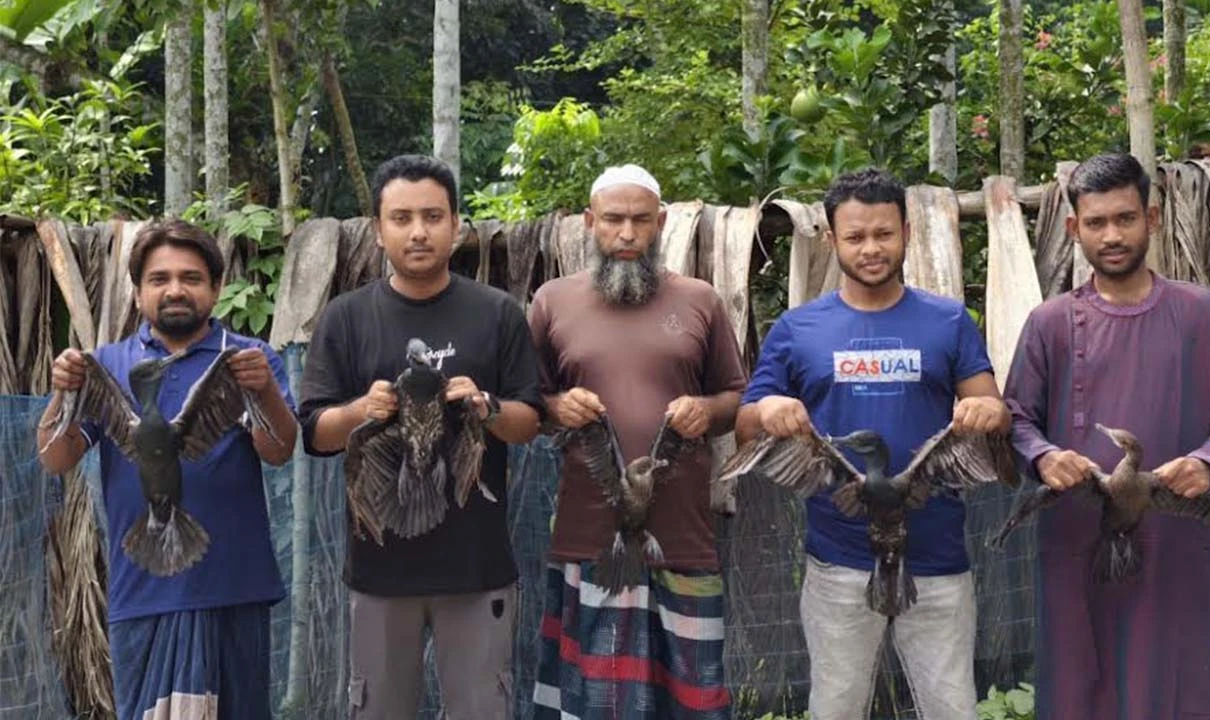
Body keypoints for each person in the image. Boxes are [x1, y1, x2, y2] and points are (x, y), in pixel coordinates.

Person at [735, 168, 1010, 719]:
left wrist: (988, 410)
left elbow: (996, 415)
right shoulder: (797, 329)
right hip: (839, 559)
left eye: (883, 233)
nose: (871, 248)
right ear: (832, 240)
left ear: (907, 232)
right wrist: (768, 408)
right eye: (855, 236)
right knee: (836, 707)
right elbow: (744, 426)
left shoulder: (948, 319)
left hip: (936, 558)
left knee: (952, 707)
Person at [1003, 152, 1210, 719]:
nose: (1112, 235)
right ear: (1074, 229)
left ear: (1153, 217)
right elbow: (1016, 416)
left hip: (1180, 545)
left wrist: (1209, 462)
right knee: (1080, 685)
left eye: (1125, 218)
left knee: (1181, 685)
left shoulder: (1203, 313)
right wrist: (1044, 457)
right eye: (1096, 223)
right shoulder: (1049, 324)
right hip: (1077, 544)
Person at [297, 153, 543, 720]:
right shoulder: (346, 318)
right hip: (381, 571)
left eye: (432, 216)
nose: (418, 231)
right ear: (378, 230)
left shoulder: (498, 313)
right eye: (401, 218)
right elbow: (315, 433)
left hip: (477, 568)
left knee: (483, 710)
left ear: (456, 225)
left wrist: (486, 408)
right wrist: (363, 409)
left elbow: (529, 422)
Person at [36, 218, 298, 720]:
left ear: (216, 289)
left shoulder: (247, 359)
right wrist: (62, 392)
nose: (175, 289)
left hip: (234, 587)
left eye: (191, 277)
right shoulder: (106, 365)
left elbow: (278, 451)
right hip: (144, 587)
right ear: (137, 293)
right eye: (159, 279)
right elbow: (55, 456)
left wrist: (263, 390)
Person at [528, 163, 747, 720]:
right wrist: (556, 407)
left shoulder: (700, 300)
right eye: (613, 220)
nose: (626, 234)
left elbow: (737, 398)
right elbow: (525, 407)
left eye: (640, 221)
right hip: (590, 542)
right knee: (598, 704)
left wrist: (707, 409)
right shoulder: (552, 302)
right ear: (588, 222)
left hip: (684, 539)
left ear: (662, 223)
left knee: (693, 704)